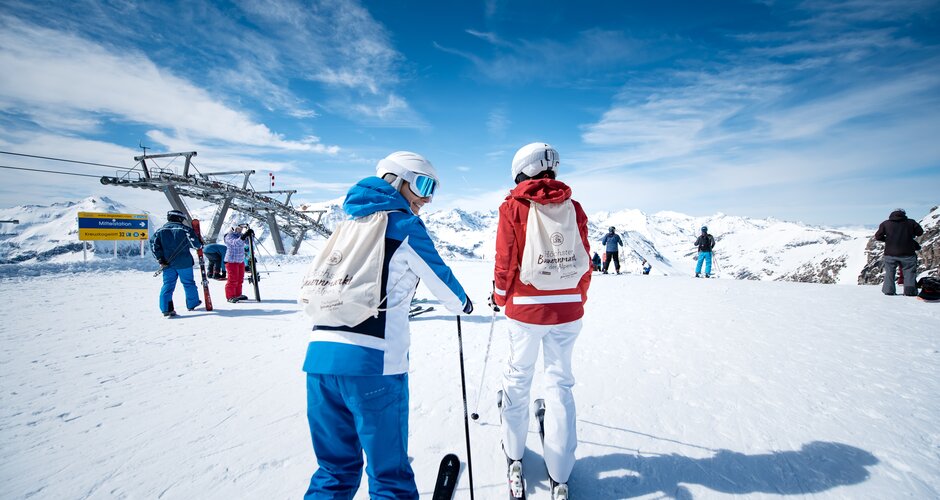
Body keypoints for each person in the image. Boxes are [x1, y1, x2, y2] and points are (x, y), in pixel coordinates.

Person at [302, 151, 473, 499]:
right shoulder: (405, 226)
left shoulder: (347, 226)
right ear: (396, 180)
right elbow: (442, 280)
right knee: (388, 474)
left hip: (319, 361)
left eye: (433, 189)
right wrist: (464, 304)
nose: (427, 198)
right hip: (373, 365)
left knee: (334, 470)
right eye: (423, 185)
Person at [491, 142, 591, 500]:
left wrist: (499, 297)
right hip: (568, 311)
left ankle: (515, 458)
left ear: (522, 171)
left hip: (526, 310)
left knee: (518, 379)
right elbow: (585, 259)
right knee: (559, 384)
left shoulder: (513, 206)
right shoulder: (573, 207)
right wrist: (577, 298)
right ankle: (560, 475)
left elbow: (505, 261)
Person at [150, 210, 202, 317]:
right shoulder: (185, 230)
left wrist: (160, 259)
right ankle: (192, 303)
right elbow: (196, 245)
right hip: (184, 263)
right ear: (179, 218)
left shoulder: (159, 231)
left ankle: (166, 308)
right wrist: (199, 243)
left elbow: (154, 246)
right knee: (188, 283)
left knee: (168, 285)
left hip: (167, 263)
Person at [874, 208, 923, 296]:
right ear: (904, 214)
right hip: (908, 253)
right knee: (909, 272)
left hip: (890, 253)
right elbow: (920, 232)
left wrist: (888, 240)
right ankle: (910, 291)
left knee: (889, 272)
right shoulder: (911, 222)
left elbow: (878, 236)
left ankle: (888, 290)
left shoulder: (885, 223)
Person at [223, 223, 253, 302]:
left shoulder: (240, 235)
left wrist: (251, 235)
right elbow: (235, 243)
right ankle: (230, 296)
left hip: (240, 260)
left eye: (241, 228)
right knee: (233, 279)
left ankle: (237, 294)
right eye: (239, 228)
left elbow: (248, 242)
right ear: (234, 228)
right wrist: (243, 236)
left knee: (240, 279)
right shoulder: (228, 236)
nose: (240, 230)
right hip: (231, 261)